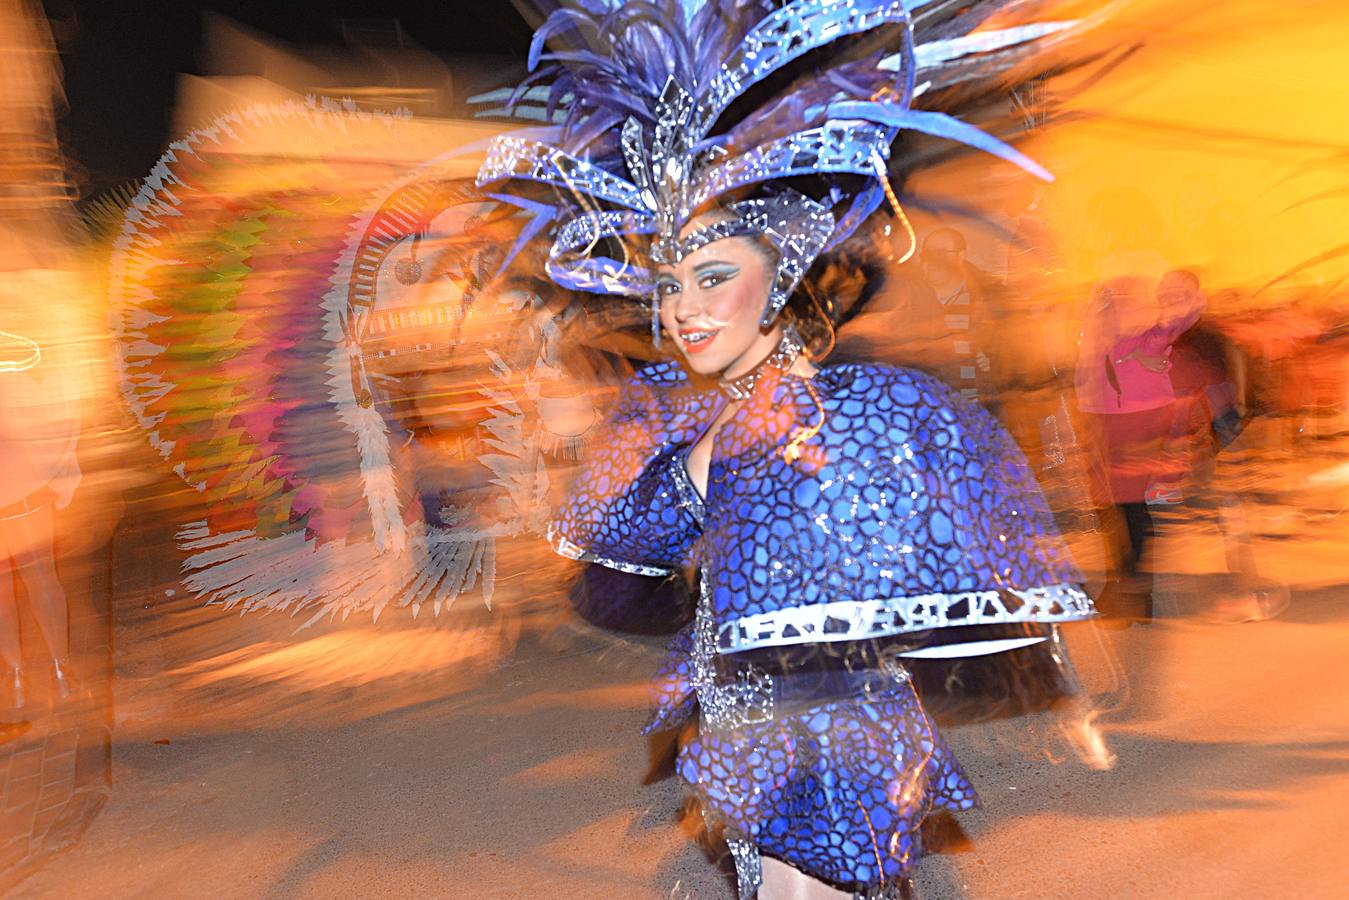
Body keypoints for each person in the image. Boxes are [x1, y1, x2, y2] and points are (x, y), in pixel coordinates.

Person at [478, 3, 1099, 896]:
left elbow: (988, 549)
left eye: (714, 275)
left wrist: (1053, 683)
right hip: (736, 718)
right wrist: (707, 458)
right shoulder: (662, 410)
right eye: (669, 284)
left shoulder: (880, 402)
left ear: (783, 276)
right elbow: (607, 562)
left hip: (852, 720)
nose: (683, 308)